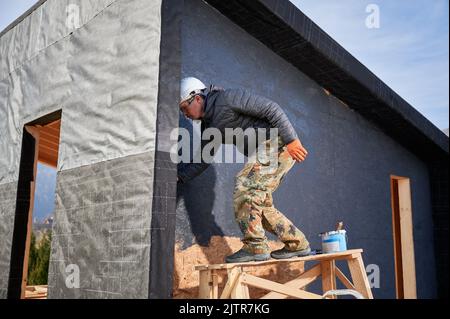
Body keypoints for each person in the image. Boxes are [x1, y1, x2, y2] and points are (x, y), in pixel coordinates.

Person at [177, 77, 311, 263]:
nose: (185, 114)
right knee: (259, 204)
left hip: (277, 143)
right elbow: (203, 158)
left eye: (184, 108)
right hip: (265, 151)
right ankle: (297, 244)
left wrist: (292, 140)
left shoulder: (227, 99)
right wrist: (179, 177)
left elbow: (271, 108)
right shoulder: (209, 126)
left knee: (245, 187)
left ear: (197, 98)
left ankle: (255, 247)